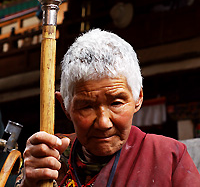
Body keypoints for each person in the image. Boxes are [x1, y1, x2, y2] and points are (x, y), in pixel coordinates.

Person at [15, 28, 200, 186]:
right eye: (87, 106)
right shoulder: (48, 159)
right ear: (65, 106)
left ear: (138, 98)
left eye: (116, 103)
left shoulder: (170, 158)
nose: (103, 123)